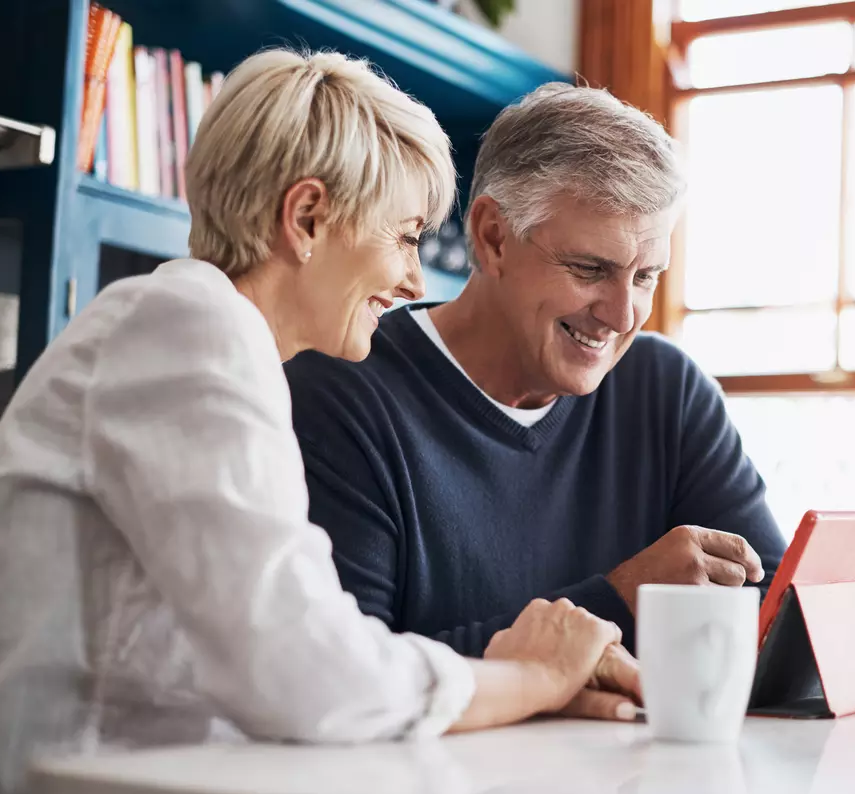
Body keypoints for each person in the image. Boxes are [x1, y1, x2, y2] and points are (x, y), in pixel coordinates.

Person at [0, 50, 638, 794]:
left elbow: (298, 652)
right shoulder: (188, 328)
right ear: (306, 218)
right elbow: (308, 672)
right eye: (406, 236)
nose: (416, 281)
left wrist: (522, 684)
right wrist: (531, 678)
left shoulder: (207, 339)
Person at [283, 83, 789, 658]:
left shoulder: (666, 391)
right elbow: (352, 678)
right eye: (590, 268)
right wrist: (617, 600)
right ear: (494, 237)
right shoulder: (338, 392)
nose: (622, 315)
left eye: (646, 276)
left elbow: (776, 616)